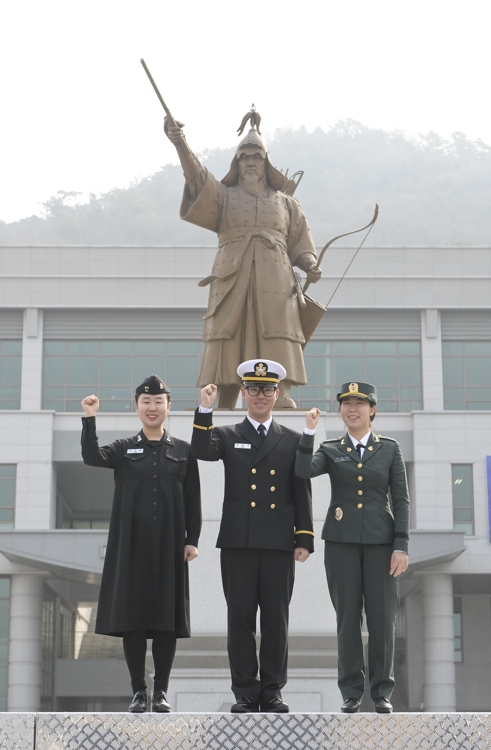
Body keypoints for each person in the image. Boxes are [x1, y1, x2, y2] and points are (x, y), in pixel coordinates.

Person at [165, 113, 322, 410]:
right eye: (244, 157)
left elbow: (300, 241)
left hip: (276, 279)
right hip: (232, 277)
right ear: (236, 164)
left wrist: (310, 263)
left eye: (257, 157)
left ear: (267, 163)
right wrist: (180, 143)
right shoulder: (223, 197)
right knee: (228, 332)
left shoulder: (287, 203)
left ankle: (281, 391)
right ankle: (223, 395)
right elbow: (197, 178)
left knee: (277, 331)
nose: (250, 162)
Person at [191, 359, 314, 712]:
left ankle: (272, 690)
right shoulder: (228, 434)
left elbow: (300, 488)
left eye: (268, 389)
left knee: (276, 620)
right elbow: (201, 451)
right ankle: (245, 691)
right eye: (254, 389)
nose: (261, 396)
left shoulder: (291, 440)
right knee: (240, 619)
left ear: (277, 394)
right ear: (243, 393)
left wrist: (303, 536)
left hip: (278, 542)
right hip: (238, 542)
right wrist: (205, 409)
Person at [80, 375, 201, 713]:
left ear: (167, 407)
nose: (152, 407)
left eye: (158, 402)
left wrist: (192, 540)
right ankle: (138, 691)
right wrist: (90, 418)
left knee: (167, 620)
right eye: (146, 402)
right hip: (130, 546)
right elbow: (91, 456)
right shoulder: (122, 448)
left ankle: (160, 692)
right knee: (132, 619)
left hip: (170, 546)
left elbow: (193, 499)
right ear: (137, 407)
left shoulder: (183, 450)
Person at [295, 381, 409, 714]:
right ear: (341, 410)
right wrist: (308, 432)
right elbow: (303, 471)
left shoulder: (389, 449)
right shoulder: (330, 448)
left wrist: (400, 545)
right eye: (346, 403)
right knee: (347, 620)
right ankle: (351, 691)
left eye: (360, 403)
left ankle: (381, 692)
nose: (353, 409)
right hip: (342, 545)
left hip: (382, 545)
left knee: (382, 620)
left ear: (372, 410)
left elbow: (400, 500)